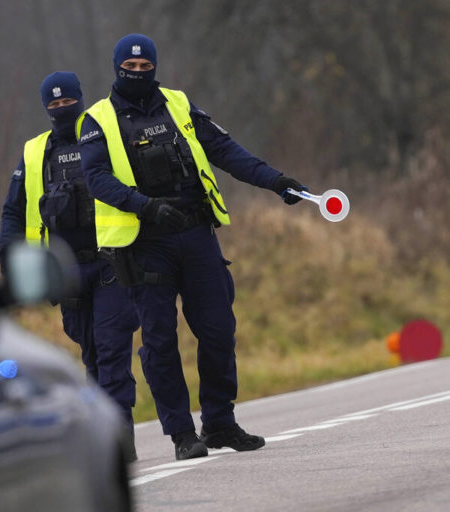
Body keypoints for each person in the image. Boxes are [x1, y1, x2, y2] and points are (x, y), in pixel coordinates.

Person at [77, 34, 307, 461]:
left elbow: (223, 149)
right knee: (161, 341)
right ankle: (183, 434)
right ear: (117, 67)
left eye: (146, 67)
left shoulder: (179, 103)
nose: (139, 73)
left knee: (219, 329)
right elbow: (97, 179)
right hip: (144, 243)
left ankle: (220, 423)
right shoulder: (97, 120)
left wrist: (276, 181)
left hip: (196, 232)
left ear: (155, 67)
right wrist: (145, 207)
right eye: (131, 67)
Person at [0, 71, 140, 457]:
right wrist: (8, 255)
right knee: (90, 351)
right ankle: (107, 434)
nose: (62, 109)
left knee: (112, 350)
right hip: (66, 271)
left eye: (68, 102)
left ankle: (121, 435)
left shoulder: (102, 135)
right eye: (54, 104)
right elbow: (13, 212)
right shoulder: (35, 153)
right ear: (45, 108)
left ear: (81, 99)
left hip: (111, 261)